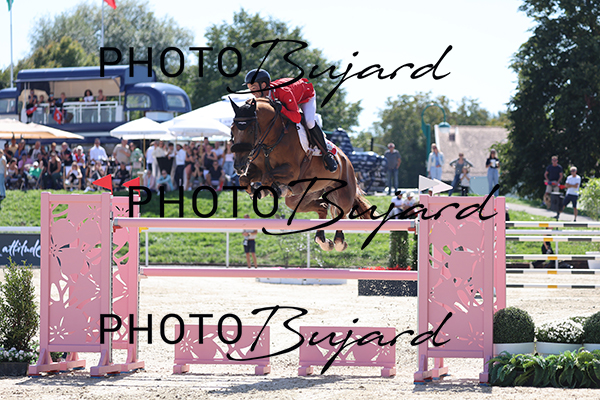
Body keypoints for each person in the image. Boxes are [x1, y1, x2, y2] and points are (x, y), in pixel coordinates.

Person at [244, 68, 338, 172]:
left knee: (309, 122)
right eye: (250, 89)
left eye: (254, 88)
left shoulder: (283, 91)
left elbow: (296, 118)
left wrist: (282, 109)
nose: (252, 92)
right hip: (292, 96)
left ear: (263, 85)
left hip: (305, 96)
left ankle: (326, 154)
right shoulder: (262, 97)